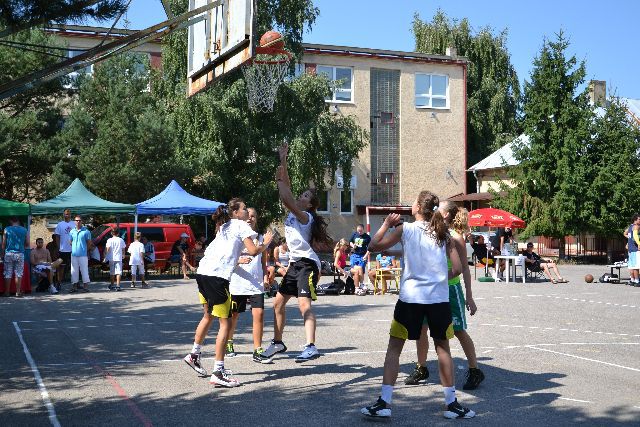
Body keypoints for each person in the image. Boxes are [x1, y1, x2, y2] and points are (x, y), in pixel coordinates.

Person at [360, 190, 475, 420]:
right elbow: (457, 268)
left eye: (413, 202)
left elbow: (372, 246)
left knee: (394, 348)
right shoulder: (443, 233)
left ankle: (384, 402)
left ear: (418, 208)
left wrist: (386, 224)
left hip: (410, 299)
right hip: (438, 299)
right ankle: (451, 404)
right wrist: (438, 278)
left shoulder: (406, 229)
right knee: (443, 349)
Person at [182, 199, 272, 387]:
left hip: (203, 273)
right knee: (226, 323)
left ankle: (194, 354)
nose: (247, 211)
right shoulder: (240, 225)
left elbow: (221, 251)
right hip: (217, 277)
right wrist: (266, 243)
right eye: (244, 208)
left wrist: (236, 260)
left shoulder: (224, 226)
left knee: (208, 316)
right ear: (236, 213)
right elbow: (253, 250)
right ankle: (218, 372)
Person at [258, 143, 331, 363]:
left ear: (309, 205)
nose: (302, 196)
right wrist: (283, 159)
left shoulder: (305, 217)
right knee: (278, 303)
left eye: (306, 196)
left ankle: (311, 346)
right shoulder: (294, 212)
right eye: (303, 193)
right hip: (295, 263)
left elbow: (286, 197)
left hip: (307, 264)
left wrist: (279, 181)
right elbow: (288, 189)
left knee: (303, 304)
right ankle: (278, 343)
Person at [405, 204, 484, 391]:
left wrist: (469, 297)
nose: (433, 210)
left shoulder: (455, 237)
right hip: (430, 290)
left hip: (450, 290)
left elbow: (464, 269)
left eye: (437, 208)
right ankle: (421, 367)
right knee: (422, 328)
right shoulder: (431, 232)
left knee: (458, 330)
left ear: (446, 214)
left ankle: (475, 370)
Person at [226, 207, 270, 362]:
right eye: (248, 215)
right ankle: (229, 342)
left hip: (255, 283)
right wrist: (239, 260)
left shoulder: (260, 238)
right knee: (233, 315)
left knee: (259, 314)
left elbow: (264, 263)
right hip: (237, 283)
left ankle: (257, 349)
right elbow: (226, 258)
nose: (250, 218)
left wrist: (266, 277)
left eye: (253, 216)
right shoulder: (236, 237)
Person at [2, 217, 29, 297]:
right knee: (19, 273)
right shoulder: (24, 230)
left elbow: (3, 243)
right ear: (18, 221)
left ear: (11, 221)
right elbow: (27, 243)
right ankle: (17, 292)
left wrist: (2, 253)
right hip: (20, 254)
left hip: (9, 253)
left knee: (8, 273)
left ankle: (7, 292)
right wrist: (22, 246)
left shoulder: (7, 229)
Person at [69, 215, 92, 293]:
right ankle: (74, 287)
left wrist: (85, 250)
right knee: (74, 271)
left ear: (82, 221)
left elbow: (89, 243)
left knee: (84, 270)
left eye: (79, 220)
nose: (78, 222)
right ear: (74, 221)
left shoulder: (86, 231)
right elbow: (70, 241)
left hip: (83, 255)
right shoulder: (72, 231)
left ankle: (85, 287)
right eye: (76, 220)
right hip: (74, 255)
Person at [54, 208, 74, 285]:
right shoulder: (60, 224)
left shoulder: (74, 224)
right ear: (63, 215)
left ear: (70, 215)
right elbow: (57, 236)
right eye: (65, 214)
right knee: (61, 267)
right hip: (63, 250)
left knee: (75, 267)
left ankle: (75, 283)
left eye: (68, 214)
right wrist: (58, 247)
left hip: (73, 250)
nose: (67, 215)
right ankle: (59, 283)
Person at [349, 224, 371, 291]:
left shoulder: (367, 237)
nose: (359, 232)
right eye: (358, 231)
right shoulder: (354, 234)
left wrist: (365, 256)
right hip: (354, 255)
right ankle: (355, 285)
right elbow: (350, 242)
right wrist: (353, 246)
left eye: (360, 231)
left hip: (362, 255)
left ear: (363, 229)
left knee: (361, 270)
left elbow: (370, 248)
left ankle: (361, 284)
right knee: (354, 270)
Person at [104, 227, 126, 291]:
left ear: (111, 233)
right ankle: (118, 285)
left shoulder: (109, 240)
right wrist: (123, 254)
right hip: (118, 257)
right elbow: (123, 249)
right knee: (118, 272)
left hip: (111, 257)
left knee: (112, 272)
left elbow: (107, 249)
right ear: (118, 233)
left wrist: (105, 256)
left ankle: (112, 285)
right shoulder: (121, 240)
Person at [623, 215, 640, 285]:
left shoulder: (630, 227)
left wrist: (630, 239)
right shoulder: (636, 226)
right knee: (636, 266)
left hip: (630, 250)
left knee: (631, 266)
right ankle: (637, 281)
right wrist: (639, 243)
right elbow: (635, 236)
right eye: (639, 219)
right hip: (635, 249)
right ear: (635, 220)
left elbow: (624, 233)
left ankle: (632, 280)